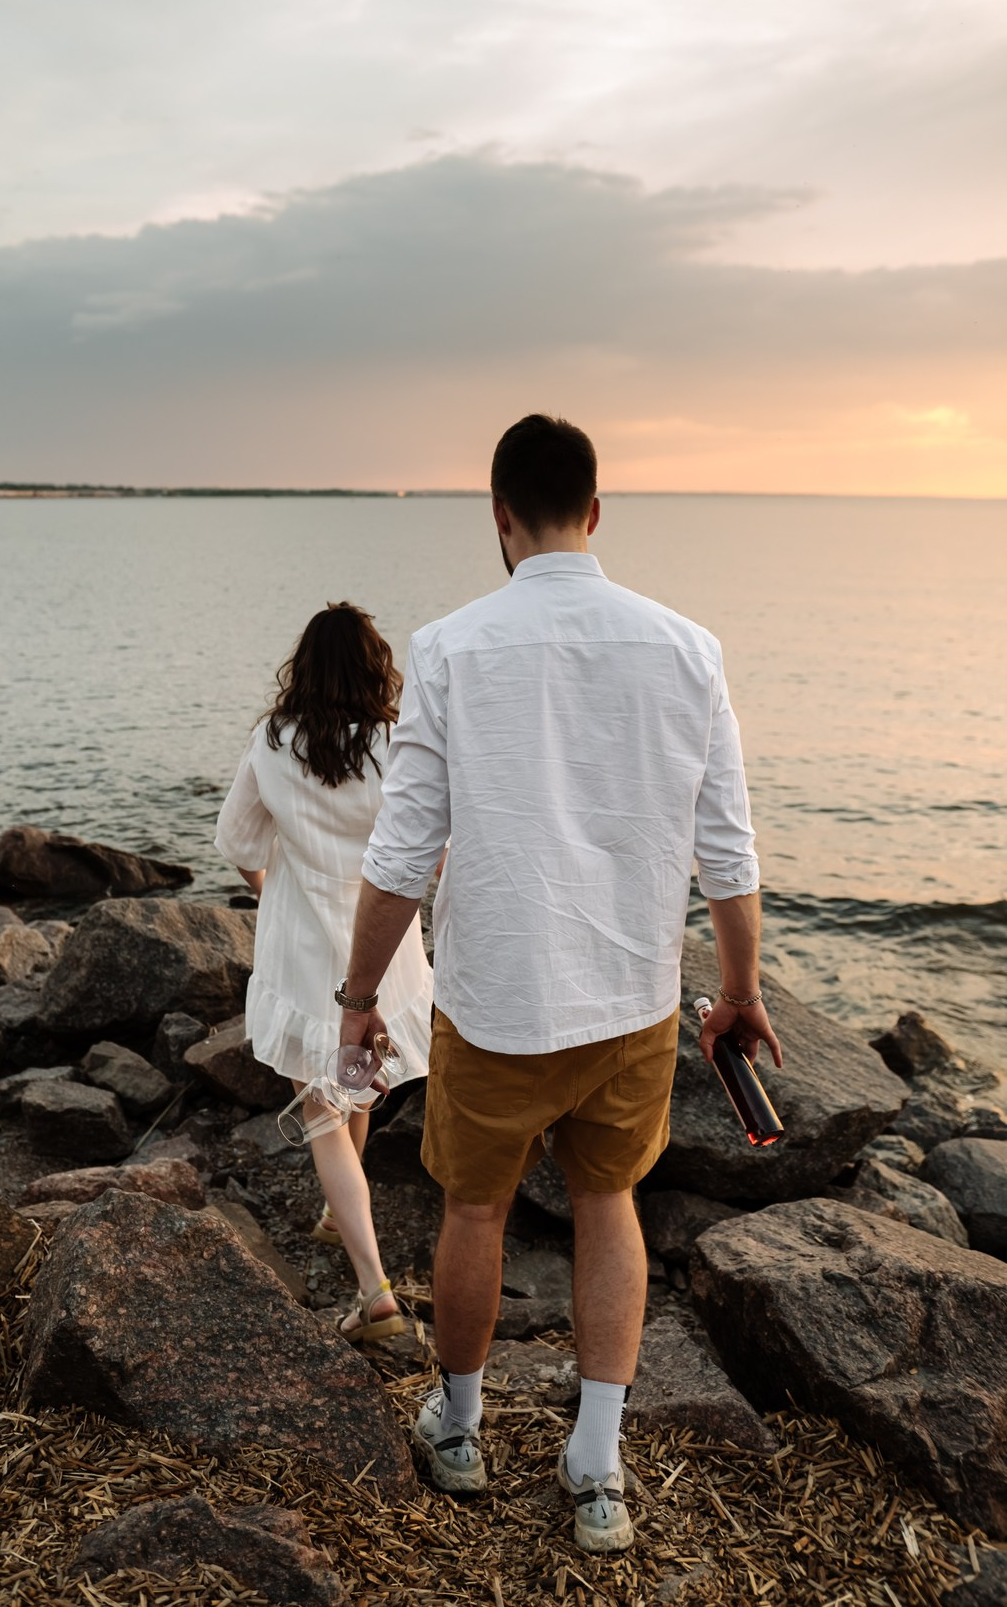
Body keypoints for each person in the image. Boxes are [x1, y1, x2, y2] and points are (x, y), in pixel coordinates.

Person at [332, 415, 782, 1554]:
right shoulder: (688, 648)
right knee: (608, 1203)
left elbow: (402, 854)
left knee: (474, 1209)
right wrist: (738, 992)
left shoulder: (448, 649)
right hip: (630, 999)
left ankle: (461, 1428)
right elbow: (728, 854)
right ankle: (596, 1462)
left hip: (494, 1002)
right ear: (595, 511)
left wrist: (357, 996)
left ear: (499, 517)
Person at [214, 601, 434, 1344]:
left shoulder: (273, 739)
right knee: (354, 1080)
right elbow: (430, 847)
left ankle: (374, 1292)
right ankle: (340, 1213)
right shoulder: (397, 743)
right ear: (376, 669)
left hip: (304, 952)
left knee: (321, 1112)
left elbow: (237, 839)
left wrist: (272, 892)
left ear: (302, 668)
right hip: (383, 947)